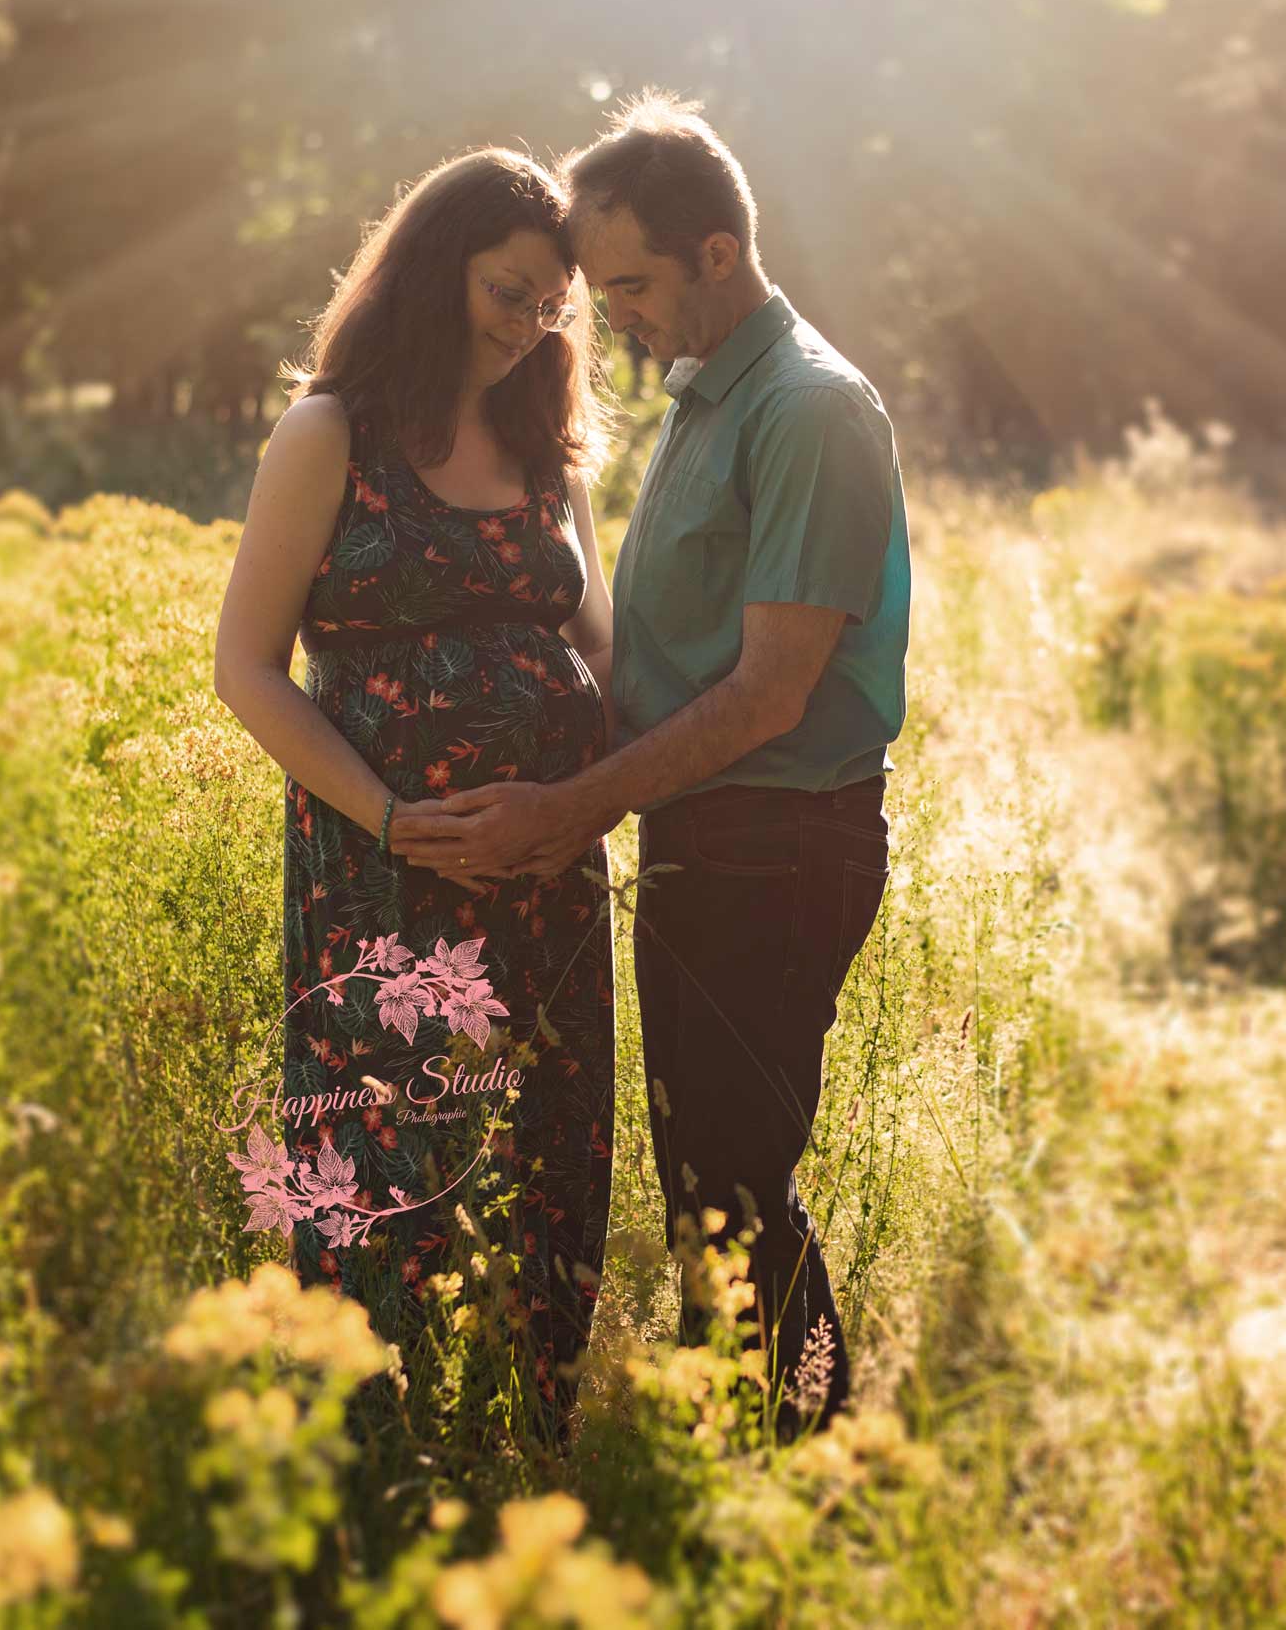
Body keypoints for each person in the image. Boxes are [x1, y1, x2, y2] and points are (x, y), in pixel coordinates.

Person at [390, 94, 911, 1442]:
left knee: (733, 1178)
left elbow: (765, 695)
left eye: (630, 284)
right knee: (704, 1178)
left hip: (777, 845)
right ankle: (733, 1450)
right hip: (708, 844)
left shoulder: (807, 410)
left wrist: (569, 808)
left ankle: (799, 1460)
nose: (609, 313)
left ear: (717, 254)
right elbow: (659, 659)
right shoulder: (706, 397)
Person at [210, 147, 621, 1452]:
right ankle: (364, 1455)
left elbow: (599, 645)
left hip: (547, 881)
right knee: (389, 1175)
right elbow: (244, 667)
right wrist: (390, 815)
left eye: (552, 305)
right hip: (381, 887)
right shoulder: (330, 434)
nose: (530, 323)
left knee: (544, 1157)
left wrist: (583, 790)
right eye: (509, 290)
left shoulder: (548, 449)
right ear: (434, 270)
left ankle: (522, 1449)